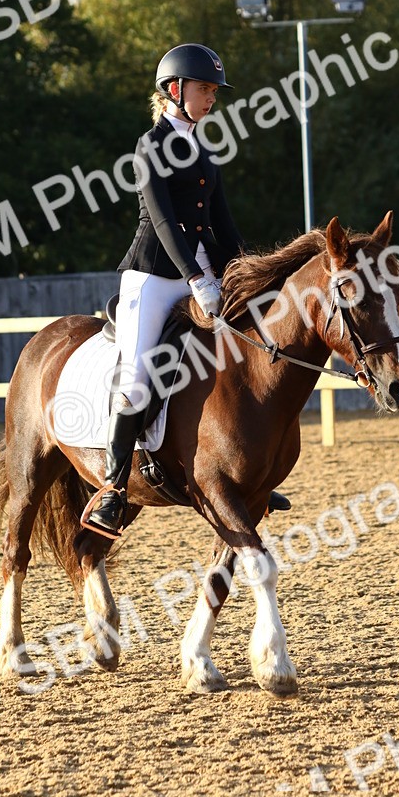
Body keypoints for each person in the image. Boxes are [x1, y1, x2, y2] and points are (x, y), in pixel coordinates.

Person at [84, 43, 246, 537]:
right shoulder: (150, 146)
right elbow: (165, 222)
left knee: (240, 348)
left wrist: (245, 272)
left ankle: (244, 464)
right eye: (204, 89)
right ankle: (112, 489)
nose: (211, 98)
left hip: (196, 271)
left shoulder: (204, 150)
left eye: (214, 90)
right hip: (153, 277)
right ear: (175, 90)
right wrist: (198, 280)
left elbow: (223, 225)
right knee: (136, 379)